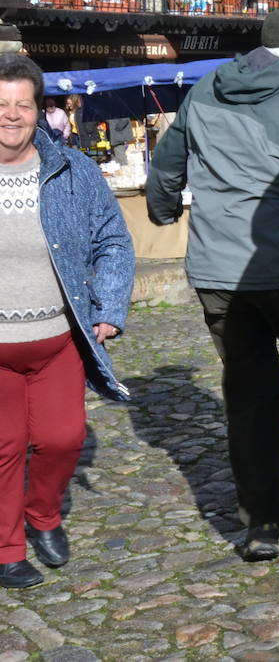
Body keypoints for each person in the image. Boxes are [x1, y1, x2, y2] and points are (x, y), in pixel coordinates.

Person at [146, 7, 279, 562]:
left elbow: (167, 166)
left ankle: (261, 524)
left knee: (249, 397)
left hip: (218, 272)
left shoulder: (207, 86)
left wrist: (164, 212)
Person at [0, 53, 133, 590]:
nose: (11, 115)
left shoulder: (70, 169)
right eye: (1, 104)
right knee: (4, 448)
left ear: (39, 110)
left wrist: (108, 309)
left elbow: (113, 242)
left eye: (21, 104)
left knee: (62, 438)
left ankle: (44, 512)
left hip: (56, 339)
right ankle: (8, 551)